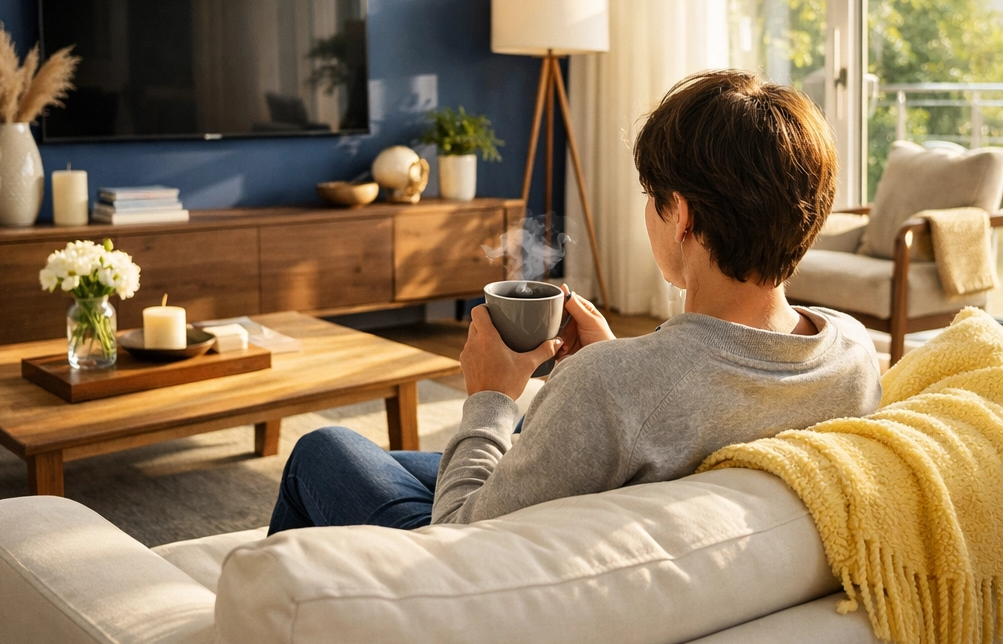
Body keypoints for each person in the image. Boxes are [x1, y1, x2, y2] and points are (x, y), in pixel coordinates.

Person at [268, 69, 882, 534]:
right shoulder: (852, 353)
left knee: (325, 450)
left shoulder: (611, 386)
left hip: (471, 588)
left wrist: (489, 397)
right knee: (403, 461)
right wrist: (615, 362)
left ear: (683, 217)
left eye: (651, 194)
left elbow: (457, 539)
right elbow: (689, 412)